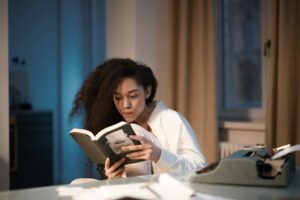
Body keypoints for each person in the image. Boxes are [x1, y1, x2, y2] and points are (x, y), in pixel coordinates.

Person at [69, 58, 207, 180]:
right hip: (138, 194)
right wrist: (114, 177)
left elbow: (200, 169)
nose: (125, 105)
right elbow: (131, 180)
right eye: (118, 98)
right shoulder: (120, 129)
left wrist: (159, 155)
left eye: (133, 96)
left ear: (147, 92)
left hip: (171, 194)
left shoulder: (172, 120)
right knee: (78, 183)